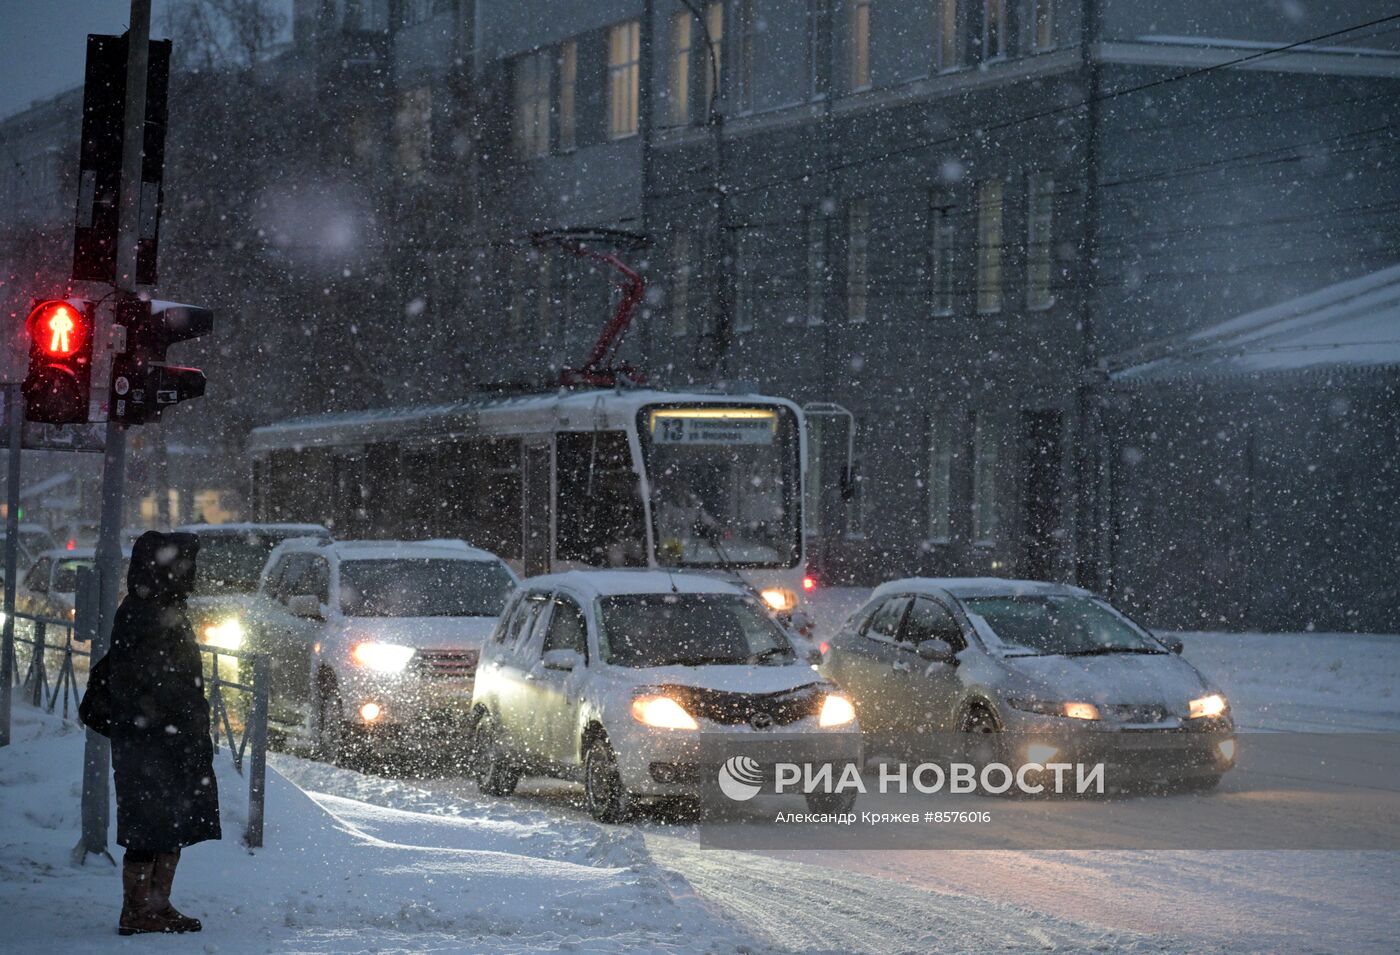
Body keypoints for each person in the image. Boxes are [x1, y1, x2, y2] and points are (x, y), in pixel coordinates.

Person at [107, 530, 220, 935]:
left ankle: (156, 904)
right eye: (185, 564)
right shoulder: (145, 611)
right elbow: (145, 680)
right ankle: (137, 910)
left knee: (170, 821)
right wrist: (172, 718)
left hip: (170, 737)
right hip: (151, 739)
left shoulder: (162, 605)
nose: (191, 572)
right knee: (148, 823)